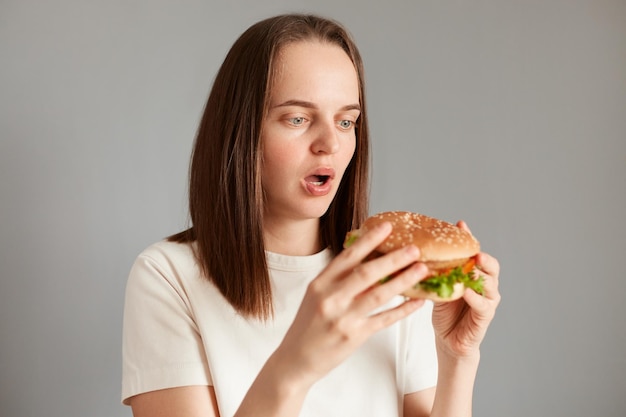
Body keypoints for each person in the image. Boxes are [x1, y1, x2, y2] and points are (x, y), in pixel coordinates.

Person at [121, 13, 500, 417]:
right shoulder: (167, 276)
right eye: (298, 119)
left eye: (346, 121)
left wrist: (457, 358)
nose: (330, 144)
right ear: (241, 130)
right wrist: (295, 366)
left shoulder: (394, 274)